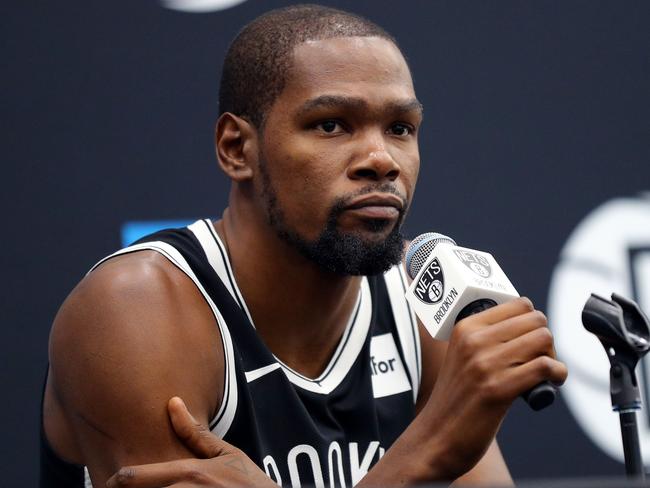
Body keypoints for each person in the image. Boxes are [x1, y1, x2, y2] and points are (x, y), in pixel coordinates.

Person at [41, 4, 567, 487]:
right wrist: (428, 450)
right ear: (236, 148)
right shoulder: (135, 308)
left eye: (401, 128)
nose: (381, 159)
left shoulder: (422, 297)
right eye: (331, 124)